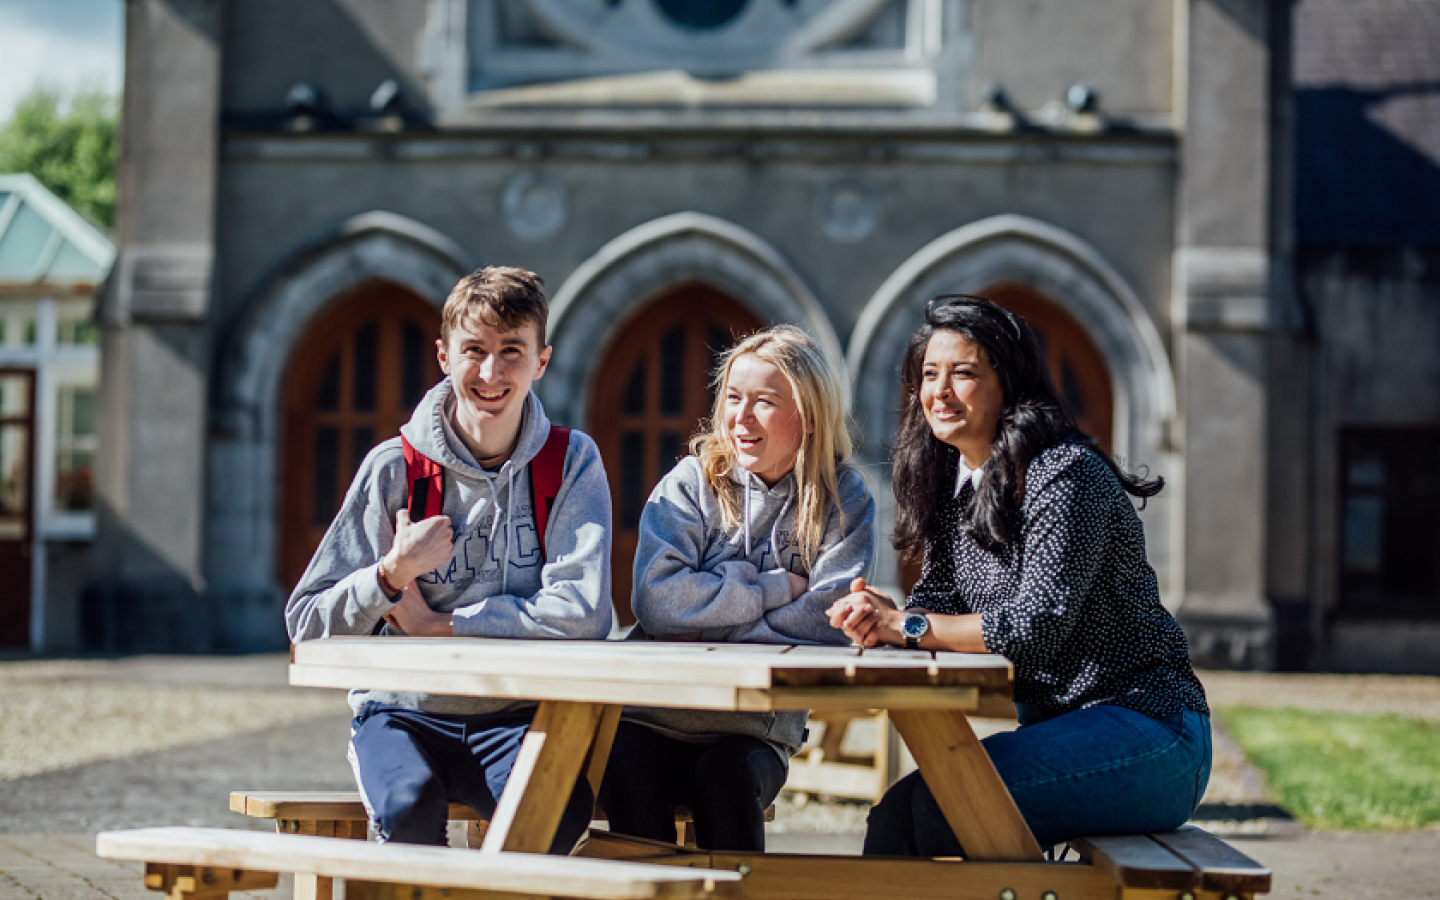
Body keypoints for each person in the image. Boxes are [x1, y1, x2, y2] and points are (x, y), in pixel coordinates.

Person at [828, 295, 1210, 855]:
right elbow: (935, 601)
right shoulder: (959, 484)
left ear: (1008, 382)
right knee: (898, 813)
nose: (939, 391)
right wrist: (880, 612)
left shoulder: (1063, 475)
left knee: (934, 809)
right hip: (1064, 730)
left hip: (1150, 731)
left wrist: (905, 627)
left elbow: (1032, 630)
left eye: (964, 373)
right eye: (929, 375)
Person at [286, 267, 612, 851]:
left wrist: (443, 624)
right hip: (400, 712)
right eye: (474, 351)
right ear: (443, 356)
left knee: (557, 814)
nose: (491, 373)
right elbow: (305, 623)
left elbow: (585, 615)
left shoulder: (570, 463)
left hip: (518, 714)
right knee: (408, 811)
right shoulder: (393, 468)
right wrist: (390, 576)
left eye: (512, 351)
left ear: (542, 360)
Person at [599, 325, 877, 851]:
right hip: (650, 714)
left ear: (811, 416)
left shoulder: (845, 499)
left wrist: (703, 616)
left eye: (764, 402)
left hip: (753, 731)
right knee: (631, 777)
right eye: (732, 398)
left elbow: (828, 621)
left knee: (723, 782)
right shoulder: (690, 484)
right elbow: (656, 602)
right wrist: (775, 588)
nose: (740, 419)